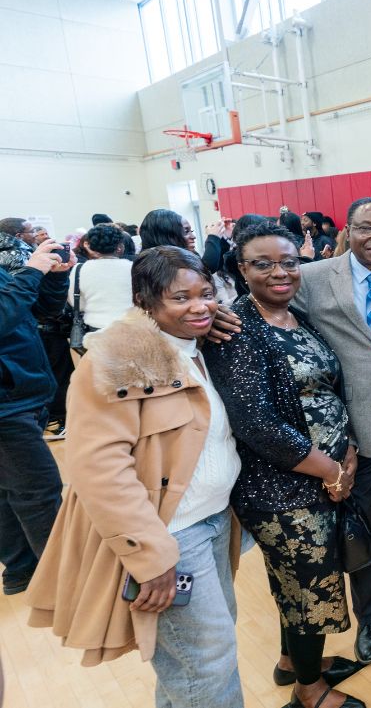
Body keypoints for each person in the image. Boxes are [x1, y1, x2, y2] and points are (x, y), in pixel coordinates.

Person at [27, 246, 243, 707]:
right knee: (205, 662)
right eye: (180, 298)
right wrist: (151, 555)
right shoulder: (121, 356)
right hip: (172, 535)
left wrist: (205, 317)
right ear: (146, 302)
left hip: (215, 521)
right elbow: (100, 468)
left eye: (206, 294)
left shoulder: (194, 342)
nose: (200, 306)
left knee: (196, 661)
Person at [204, 223, 364, 708]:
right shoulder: (234, 330)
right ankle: (310, 691)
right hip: (281, 489)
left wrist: (348, 452)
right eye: (264, 263)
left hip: (323, 476)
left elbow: (330, 391)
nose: (281, 272)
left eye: (290, 262)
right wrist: (330, 470)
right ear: (240, 269)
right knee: (310, 585)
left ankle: (294, 661)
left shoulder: (296, 316)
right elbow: (258, 424)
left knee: (294, 580)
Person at [289, 197, 371, 664]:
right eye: (367, 229)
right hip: (347, 433)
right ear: (347, 230)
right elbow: (267, 305)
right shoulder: (314, 278)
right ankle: (369, 615)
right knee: (361, 527)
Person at [0, 239, 72, 595]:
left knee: (12, 491)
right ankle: (61, 581)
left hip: (19, 397)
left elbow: (39, 311)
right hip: (6, 409)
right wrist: (30, 271)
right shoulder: (18, 273)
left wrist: (56, 277)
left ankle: (22, 571)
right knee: (39, 492)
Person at [68, 224, 134, 338]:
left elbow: (76, 303)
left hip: (95, 328)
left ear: (90, 246)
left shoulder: (79, 269)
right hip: (130, 324)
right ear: (120, 246)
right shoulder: (132, 267)